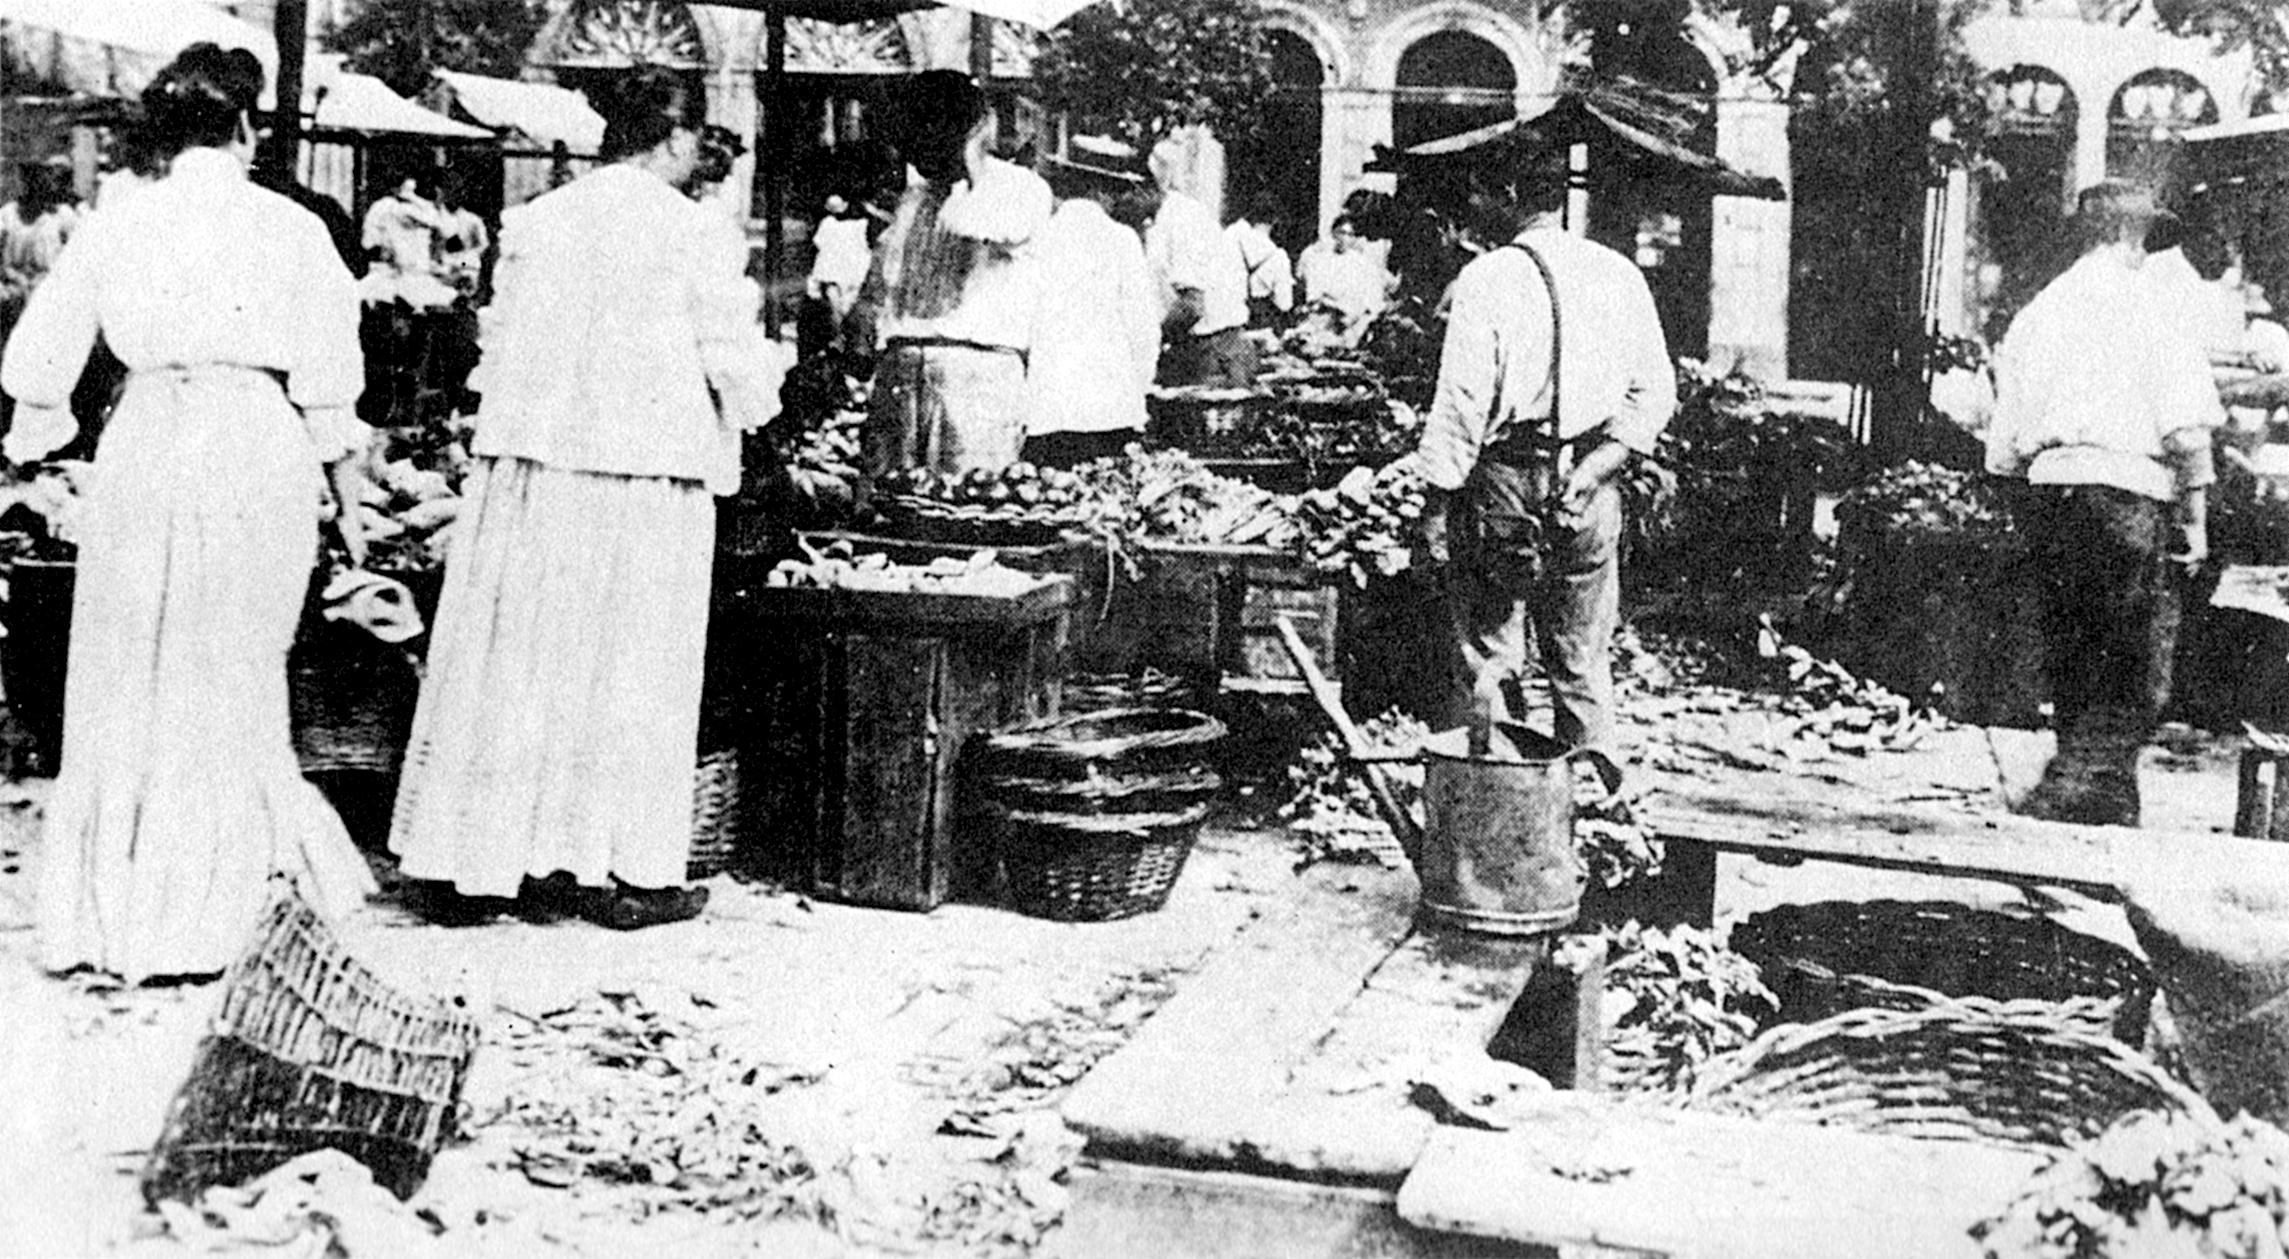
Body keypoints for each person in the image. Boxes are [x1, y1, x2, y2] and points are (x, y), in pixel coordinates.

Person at [0, 44, 376, 983]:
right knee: (238, 663)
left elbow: (40, 363)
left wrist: (35, 440)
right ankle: (228, 908)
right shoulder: (290, 227)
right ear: (247, 129)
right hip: (254, 441)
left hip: (150, 441)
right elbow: (332, 386)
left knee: (132, 666)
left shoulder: (117, 225)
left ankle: (125, 911)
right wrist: (346, 486)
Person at [388, 67, 783, 930]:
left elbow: (499, 341)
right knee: (629, 667)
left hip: (534, 472)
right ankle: (621, 868)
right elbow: (730, 357)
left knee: (522, 660)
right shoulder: (694, 231)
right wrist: (764, 404)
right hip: (642, 475)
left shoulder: (538, 220)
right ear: (676, 139)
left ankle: (484, 860)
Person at [1414, 146, 1675, 767]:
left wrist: (1433, 505)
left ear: (1507, 193)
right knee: (1582, 661)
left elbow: (1462, 403)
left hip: (1504, 483)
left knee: (1491, 658)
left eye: (1479, 193)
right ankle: (1595, 815)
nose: (1472, 207)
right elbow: (1655, 392)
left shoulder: (1486, 277)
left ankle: (1502, 813)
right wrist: (1592, 471)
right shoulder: (1617, 272)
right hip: (1590, 486)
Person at [1987, 179, 2224, 828]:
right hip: (2125, 492)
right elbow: (2183, 424)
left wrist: (2025, 488)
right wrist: (2194, 517)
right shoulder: (2151, 305)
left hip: (2051, 488)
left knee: (2072, 643)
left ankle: (2099, 791)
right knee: (2131, 657)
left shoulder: (2040, 308)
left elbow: (2003, 439)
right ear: (2127, 234)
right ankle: (2078, 787)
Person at [851, 70, 1051, 477]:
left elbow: (988, 228)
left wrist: (971, 161)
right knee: (889, 507)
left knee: (968, 504)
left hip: (977, 375)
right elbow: (882, 284)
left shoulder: (1018, 188)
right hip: (902, 370)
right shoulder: (914, 199)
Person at [1023, 136, 1159, 468]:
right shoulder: (1122, 240)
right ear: (1102, 191)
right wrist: (1136, 390)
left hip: (1047, 409)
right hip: (1111, 408)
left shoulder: (1039, 235)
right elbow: (1143, 329)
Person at [1143, 136, 1254, 387]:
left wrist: (1150, 338)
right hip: (1206, 347)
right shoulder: (1167, 219)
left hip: (1213, 353)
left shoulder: (1179, 218)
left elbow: (1192, 305)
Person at [1295, 210, 1397, 339]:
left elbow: (1367, 297)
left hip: (1348, 318)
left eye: (1350, 234)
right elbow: (1314, 292)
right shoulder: (1320, 259)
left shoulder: (1361, 263)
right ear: (1333, 233)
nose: (1345, 238)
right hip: (1324, 314)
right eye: (1341, 233)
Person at [1224, 191, 1294, 327]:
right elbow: (1284, 304)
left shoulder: (1230, 239)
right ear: (1276, 219)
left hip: (1229, 316)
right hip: (1260, 322)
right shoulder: (1278, 256)